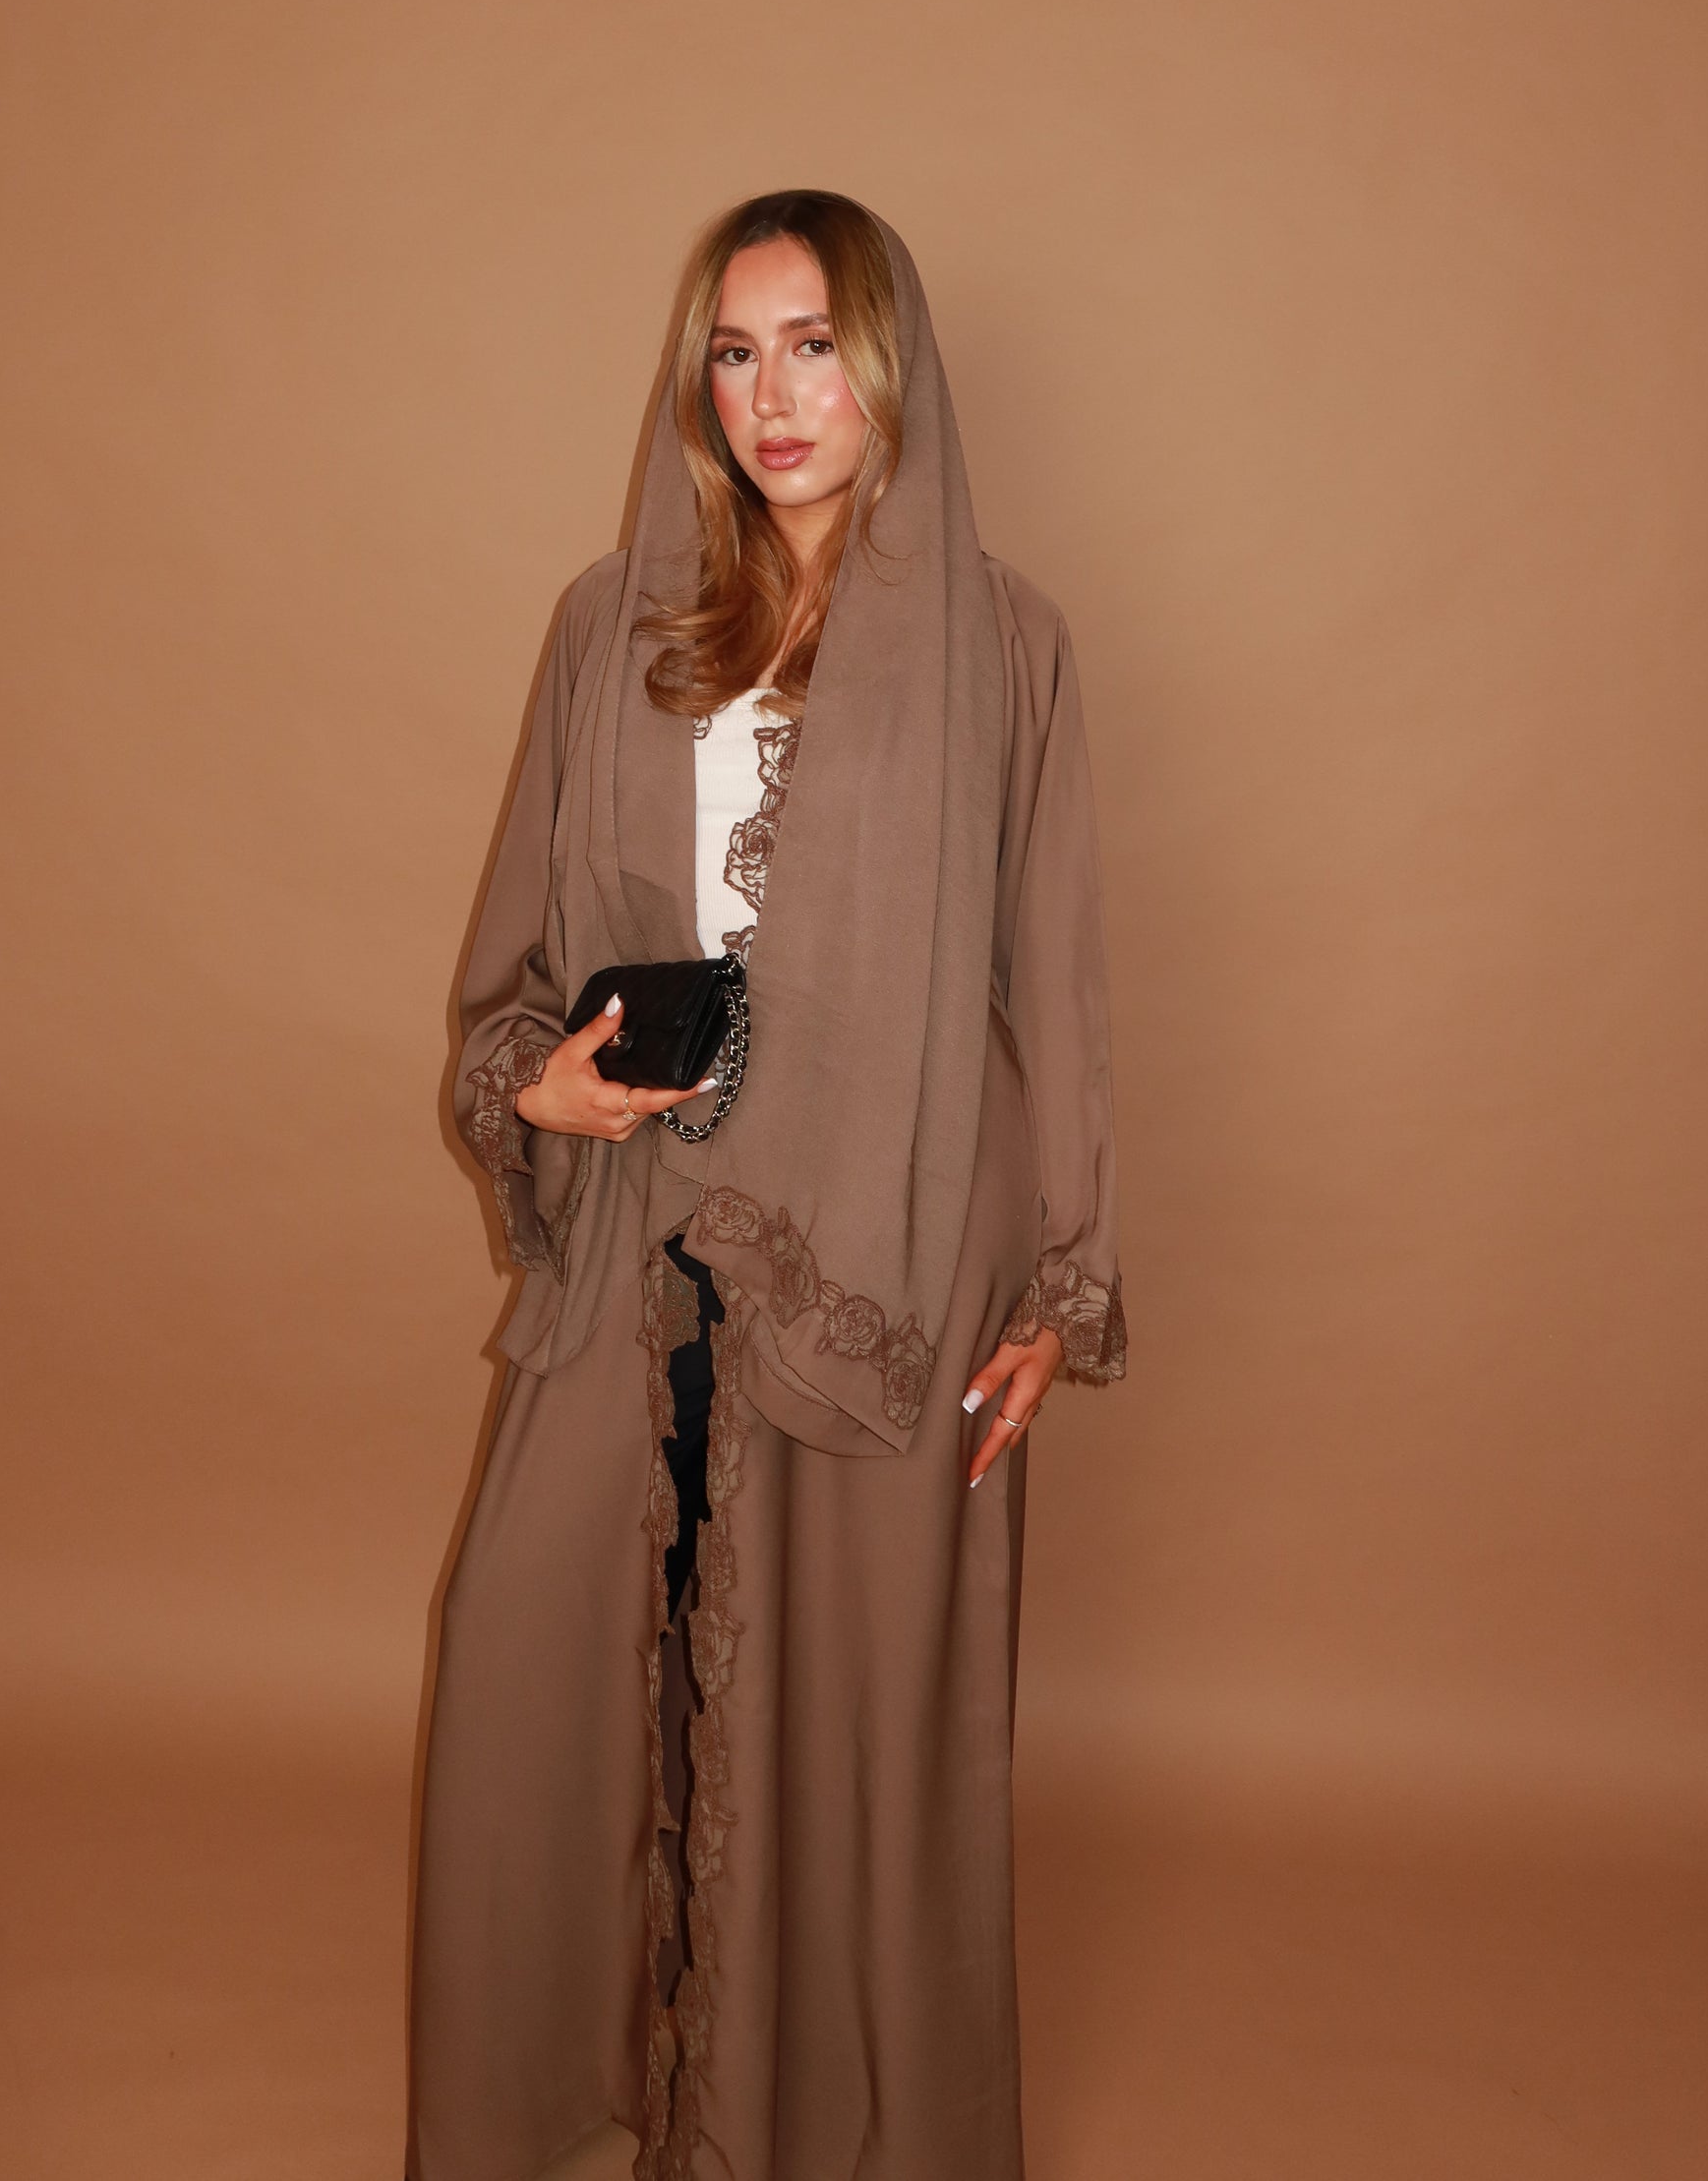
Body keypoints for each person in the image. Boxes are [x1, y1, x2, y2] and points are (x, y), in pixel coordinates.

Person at [407, 191, 1123, 2181]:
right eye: (733, 352)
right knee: (539, 1638)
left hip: (887, 1245)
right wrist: (537, 1085)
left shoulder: (1005, 646)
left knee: (842, 1707)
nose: (771, 396)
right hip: (646, 1228)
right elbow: (521, 966)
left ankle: (816, 2132)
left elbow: (1052, 982)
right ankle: (592, 2101)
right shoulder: (614, 623)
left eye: (812, 345)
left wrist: (1058, 1283)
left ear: (887, 367)